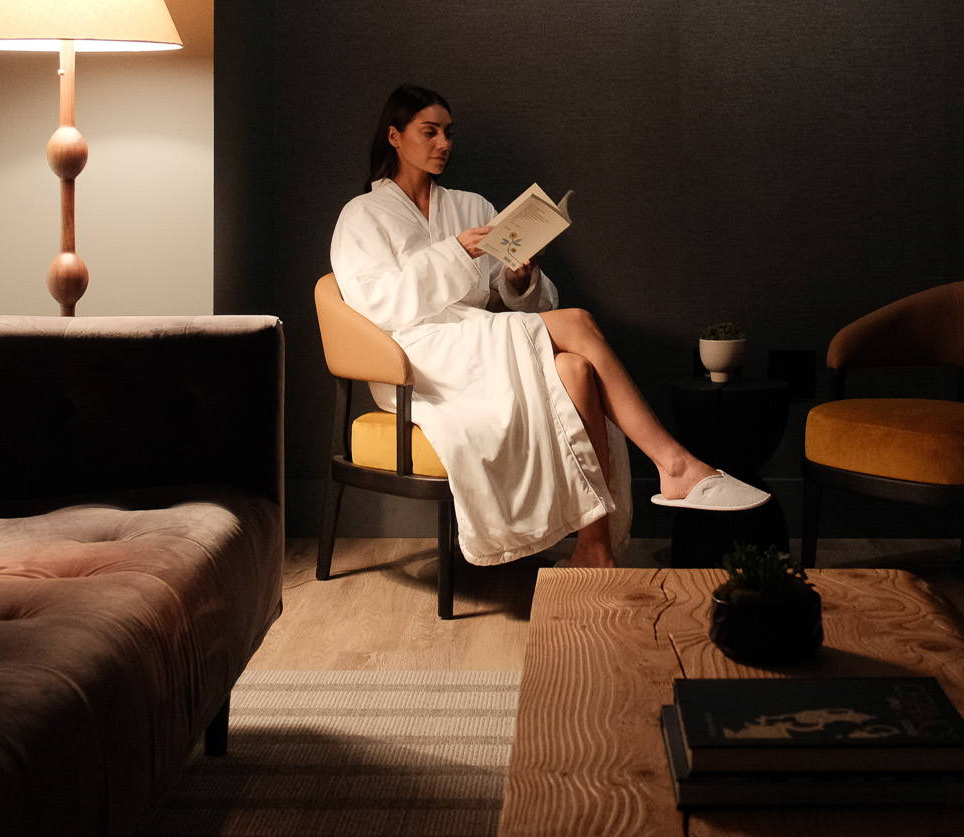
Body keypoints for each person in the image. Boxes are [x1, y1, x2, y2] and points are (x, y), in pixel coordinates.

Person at [329, 84, 768, 569]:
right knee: (578, 322)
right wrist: (457, 251)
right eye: (429, 132)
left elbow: (515, 298)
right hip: (417, 355)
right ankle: (675, 465)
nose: (444, 144)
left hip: (475, 337)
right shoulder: (362, 215)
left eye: (449, 133)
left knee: (579, 371)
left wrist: (520, 275)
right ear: (394, 136)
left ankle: (594, 549)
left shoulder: (471, 205)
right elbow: (375, 304)